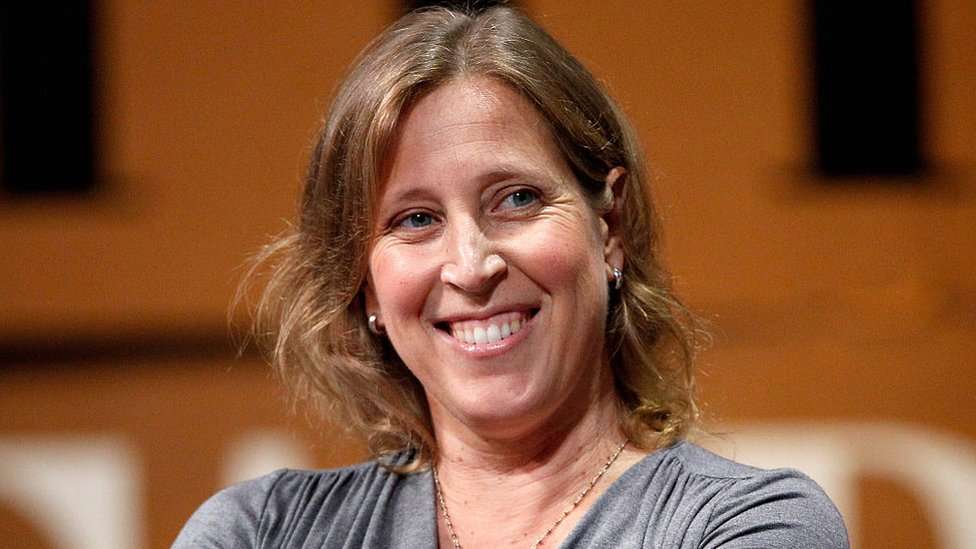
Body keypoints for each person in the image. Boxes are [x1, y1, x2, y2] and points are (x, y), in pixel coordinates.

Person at [174, 5, 848, 548]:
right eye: (415, 219)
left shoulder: (746, 526)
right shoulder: (257, 532)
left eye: (516, 199)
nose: (471, 266)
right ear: (365, 281)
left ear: (610, 226)